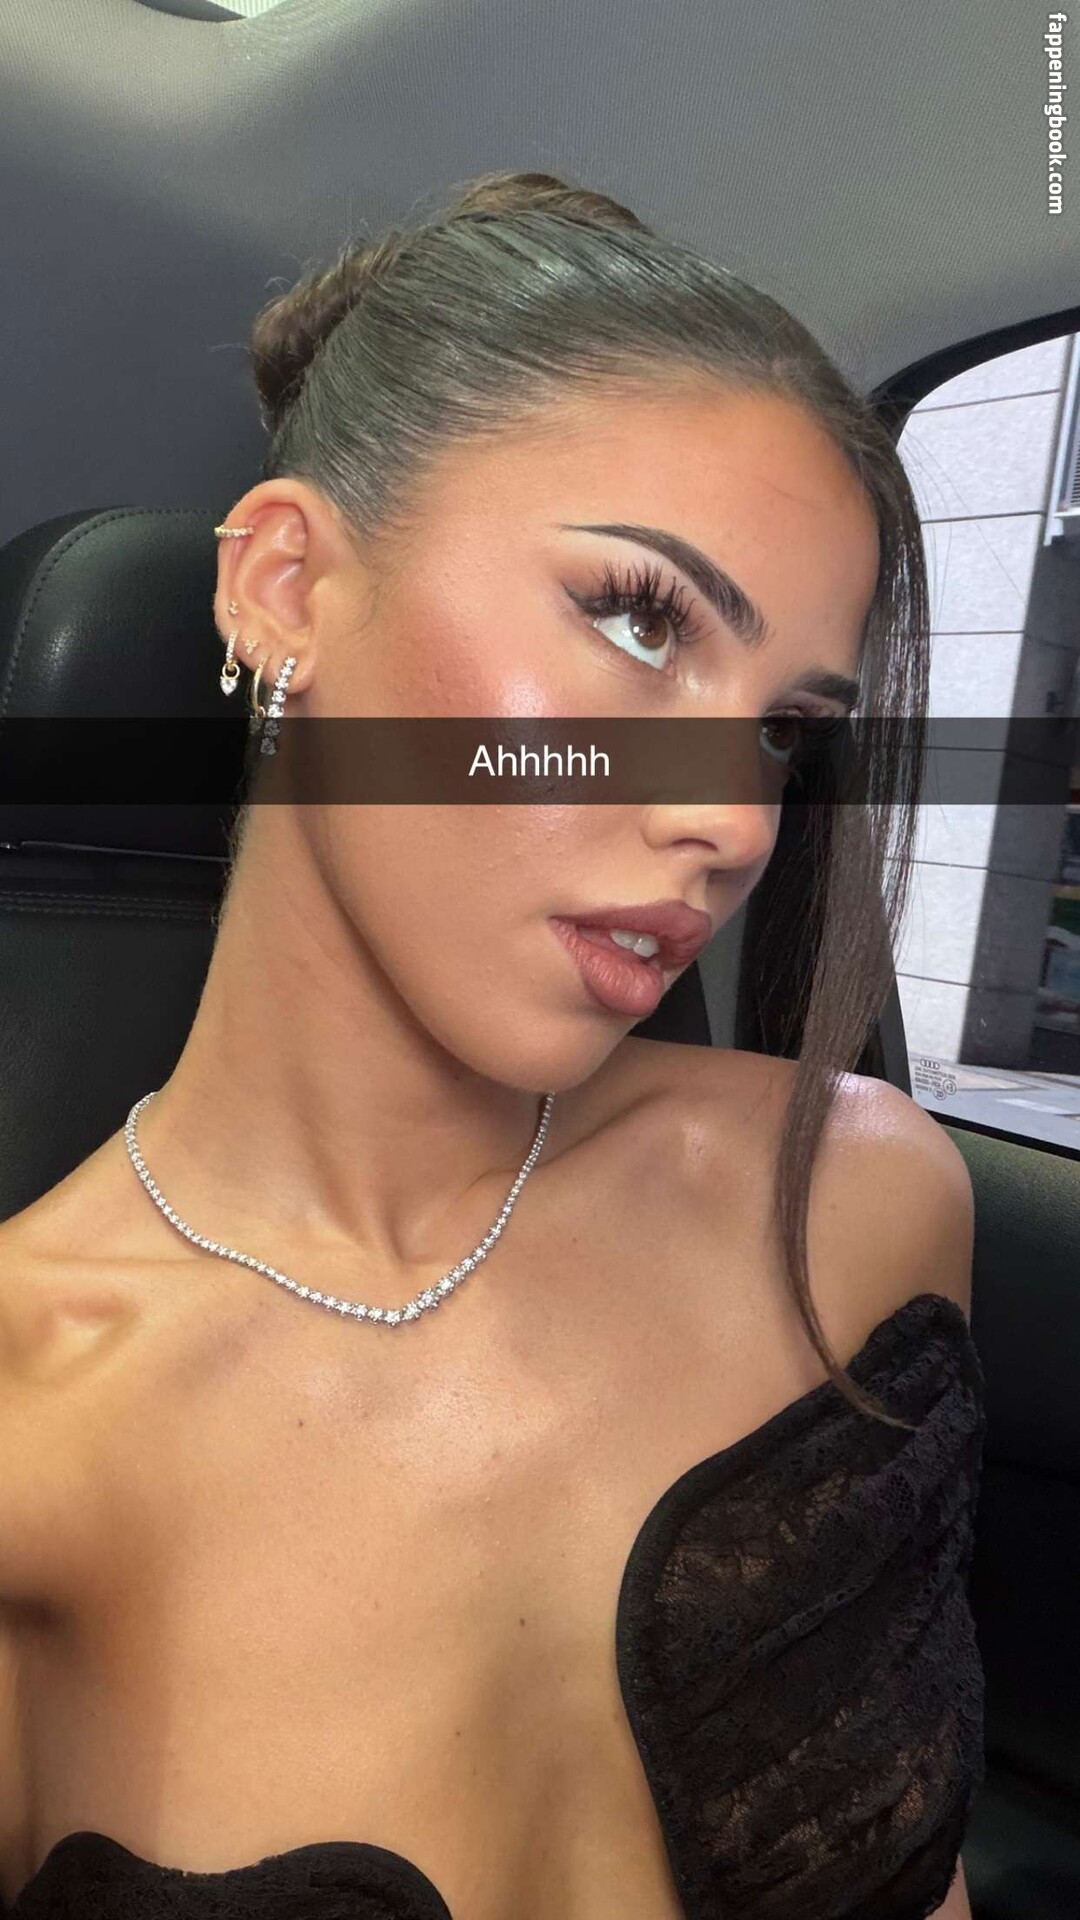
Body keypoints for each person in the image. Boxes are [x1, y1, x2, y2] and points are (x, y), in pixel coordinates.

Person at [0, 169, 984, 1919]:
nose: (730, 822)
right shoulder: (36, 1427)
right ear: (286, 586)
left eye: (782, 729)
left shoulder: (847, 1203)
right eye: (638, 617)